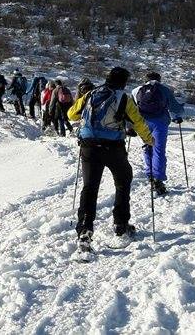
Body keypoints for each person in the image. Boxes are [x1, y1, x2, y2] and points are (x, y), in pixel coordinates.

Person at [68, 67, 154, 249]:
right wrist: (148, 139)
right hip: (113, 148)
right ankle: (120, 224)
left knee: (90, 188)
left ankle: (84, 231)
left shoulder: (91, 94)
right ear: (123, 81)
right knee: (123, 180)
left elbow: (71, 114)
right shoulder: (124, 98)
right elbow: (138, 121)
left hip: (89, 147)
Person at [131, 72, 185, 196]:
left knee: (148, 147)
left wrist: (131, 125)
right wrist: (178, 115)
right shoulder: (164, 90)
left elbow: (132, 108)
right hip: (159, 123)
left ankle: (150, 174)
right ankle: (158, 180)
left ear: (145, 79)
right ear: (159, 79)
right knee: (159, 150)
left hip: (142, 124)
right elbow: (175, 109)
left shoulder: (136, 90)